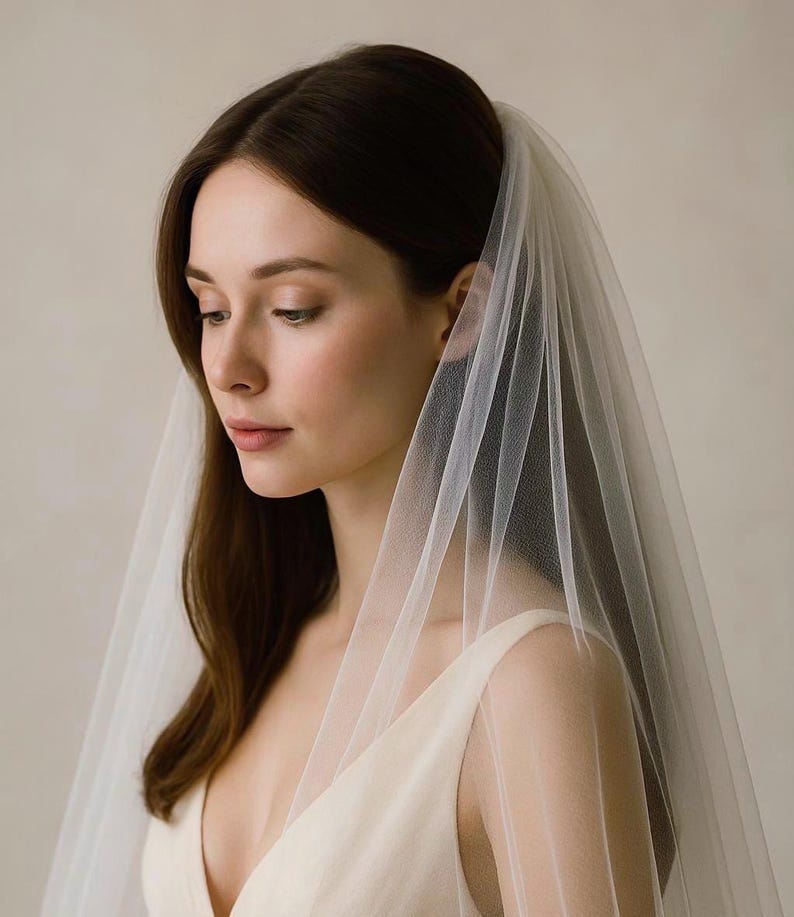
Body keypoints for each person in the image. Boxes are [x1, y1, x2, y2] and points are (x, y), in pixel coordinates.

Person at [40, 42, 783, 916]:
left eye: (293, 309)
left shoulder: (530, 682)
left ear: (462, 313)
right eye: (211, 308)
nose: (228, 367)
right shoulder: (261, 641)